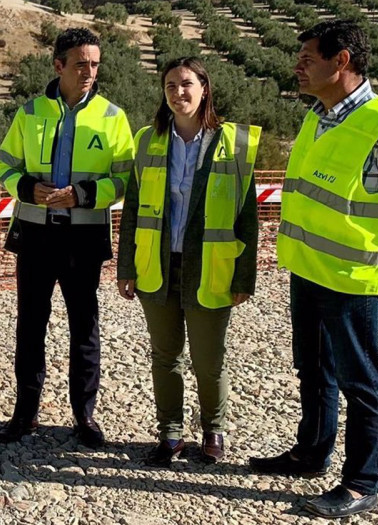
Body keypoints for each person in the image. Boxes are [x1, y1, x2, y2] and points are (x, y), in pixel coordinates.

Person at [250, 20, 378, 518]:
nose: (298, 66)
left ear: (342, 61)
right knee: (314, 369)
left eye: (308, 57)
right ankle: (311, 454)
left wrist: (377, 257)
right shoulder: (319, 115)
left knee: (359, 380)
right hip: (308, 269)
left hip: (351, 279)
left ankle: (361, 482)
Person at [0, 28, 135, 446]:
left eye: (94, 64)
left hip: (83, 239)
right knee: (30, 327)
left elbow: (124, 180)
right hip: (35, 236)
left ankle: (84, 417)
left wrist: (84, 195)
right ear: (59, 66)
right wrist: (23, 188)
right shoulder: (29, 112)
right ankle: (25, 414)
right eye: (80, 64)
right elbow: (2, 167)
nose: (89, 71)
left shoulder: (113, 116)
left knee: (84, 328)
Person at [116, 57, 259, 467]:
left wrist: (244, 276)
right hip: (156, 266)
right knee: (165, 357)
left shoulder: (234, 143)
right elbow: (132, 211)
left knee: (208, 360)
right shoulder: (148, 141)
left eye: (187, 84)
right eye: (171, 87)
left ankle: (213, 430)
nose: (179, 93)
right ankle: (171, 433)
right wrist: (127, 267)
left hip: (210, 268)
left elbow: (246, 216)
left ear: (204, 88)